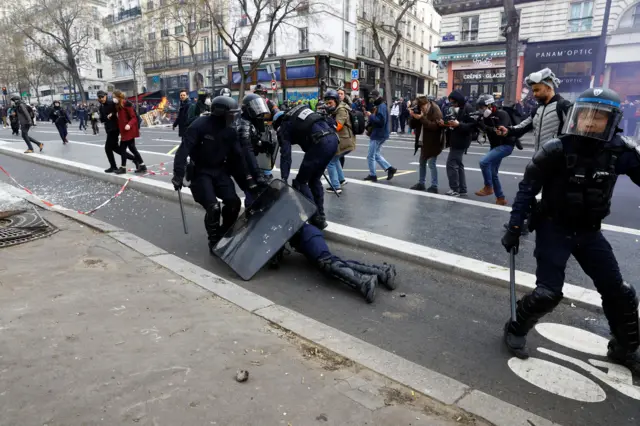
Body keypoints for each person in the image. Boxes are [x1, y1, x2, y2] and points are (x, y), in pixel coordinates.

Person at [501, 88, 640, 373]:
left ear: (611, 121)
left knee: (620, 292)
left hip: (590, 232)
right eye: (585, 115)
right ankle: (515, 327)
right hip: (554, 227)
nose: (589, 123)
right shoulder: (556, 149)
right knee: (547, 294)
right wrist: (515, 226)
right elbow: (528, 188)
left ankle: (625, 348)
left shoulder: (619, 151)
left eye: (598, 118)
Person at [172, 96, 257, 252]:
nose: (234, 118)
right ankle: (214, 241)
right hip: (200, 172)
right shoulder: (199, 125)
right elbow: (183, 150)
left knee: (233, 203)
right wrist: (178, 174)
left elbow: (238, 158)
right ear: (220, 113)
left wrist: (248, 180)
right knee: (213, 207)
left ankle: (224, 231)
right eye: (231, 114)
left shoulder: (230, 131)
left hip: (220, 170)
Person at [287, 223, 397, 303]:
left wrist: (318, 215)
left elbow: (311, 195)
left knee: (326, 262)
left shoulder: (279, 194)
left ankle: (364, 281)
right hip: (301, 239)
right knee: (329, 265)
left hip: (305, 232)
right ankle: (381, 271)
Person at [273, 101, 339, 230]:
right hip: (333, 140)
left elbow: (286, 155)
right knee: (314, 179)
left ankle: (315, 217)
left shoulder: (285, 125)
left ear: (278, 123)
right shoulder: (300, 113)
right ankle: (321, 215)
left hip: (320, 143)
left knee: (300, 182)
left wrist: (284, 179)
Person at [496, 68, 572, 153]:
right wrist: (508, 130)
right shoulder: (537, 109)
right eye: (533, 91)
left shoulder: (563, 105)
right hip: (539, 158)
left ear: (548, 88)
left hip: (559, 161)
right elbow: (522, 127)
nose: (534, 94)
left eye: (537, 90)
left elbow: (573, 134)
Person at [474, 94, 516, 205]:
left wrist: (486, 124)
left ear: (489, 105)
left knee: (483, 162)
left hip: (506, 144)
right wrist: (477, 123)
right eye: (479, 107)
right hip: (495, 146)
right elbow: (480, 128)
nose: (481, 110)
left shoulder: (502, 114)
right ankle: (500, 198)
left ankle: (488, 187)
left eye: (482, 107)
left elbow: (499, 131)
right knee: (493, 173)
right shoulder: (485, 117)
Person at [234, 93, 272, 206]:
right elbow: (247, 151)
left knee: (257, 194)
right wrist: (257, 174)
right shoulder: (243, 125)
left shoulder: (251, 122)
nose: (258, 110)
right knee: (252, 193)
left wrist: (261, 144)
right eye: (255, 107)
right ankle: (250, 220)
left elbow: (253, 143)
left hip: (248, 163)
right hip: (243, 165)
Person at [442, 90, 475, 197]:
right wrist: (446, 123)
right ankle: (462, 188)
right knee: (458, 164)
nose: (453, 104)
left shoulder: (468, 108)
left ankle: (455, 188)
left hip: (461, 140)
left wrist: (458, 125)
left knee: (451, 164)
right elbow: (453, 121)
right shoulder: (458, 108)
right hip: (455, 138)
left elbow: (472, 126)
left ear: (459, 100)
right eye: (451, 102)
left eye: (454, 102)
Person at [323, 89, 355, 194]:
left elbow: (337, 126)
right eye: (326, 103)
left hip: (345, 141)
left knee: (330, 161)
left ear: (336, 101)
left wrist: (327, 116)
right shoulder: (336, 108)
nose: (328, 105)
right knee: (335, 159)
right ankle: (341, 180)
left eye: (330, 103)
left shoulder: (341, 110)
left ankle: (335, 187)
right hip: (343, 139)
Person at [98, 90, 138, 173]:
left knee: (107, 148)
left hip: (115, 128)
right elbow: (103, 119)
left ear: (106, 96)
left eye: (102, 96)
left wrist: (112, 114)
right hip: (109, 129)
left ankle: (113, 166)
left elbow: (119, 109)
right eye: (99, 97)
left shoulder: (111, 103)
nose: (101, 98)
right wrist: (99, 117)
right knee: (116, 148)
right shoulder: (101, 106)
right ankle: (135, 159)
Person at [409, 95, 443, 193]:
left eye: (422, 106)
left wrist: (421, 118)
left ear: (427, 103)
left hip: (433, 141)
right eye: (419, 107)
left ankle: (434, 185)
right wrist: (413, 116)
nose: (421, 108)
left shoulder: (435, 110)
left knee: (431, 163)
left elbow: (434, 126)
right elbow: (412, 125)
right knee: (422, 162)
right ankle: (421, 183)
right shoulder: (419, 109)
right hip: (423, 140)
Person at [364, 90, 397, 182]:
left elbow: (380, 121)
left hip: (378, 134)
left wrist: (370, 116)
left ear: (377, 96)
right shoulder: (381, 105)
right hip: (381, 134)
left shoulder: (381, 106)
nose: (371, 99)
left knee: (371, 156)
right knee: (376, 154)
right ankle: (390, 169)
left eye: (373, 97)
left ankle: (373, 175)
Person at [112, 90, 146, 175]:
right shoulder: (118, 105)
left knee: (123, 149)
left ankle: (123, 168)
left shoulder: (126, 104)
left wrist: (129, 125)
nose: (113, 99)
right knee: (132, 148)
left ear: (118, 97)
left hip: (128, 131)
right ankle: (142, 165)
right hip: (124, 131)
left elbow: (134, 117)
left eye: (114, 97)